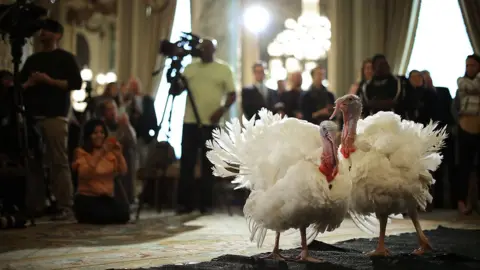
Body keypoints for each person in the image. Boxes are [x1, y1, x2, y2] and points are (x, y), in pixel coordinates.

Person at [20, 19, 82, 220]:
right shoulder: (32, 60)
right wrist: (30, 82)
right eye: (41, 30)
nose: (42, 33)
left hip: (56, 116)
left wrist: (49, 81)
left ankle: (65, 205)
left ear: (57, 35)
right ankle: (37, 204)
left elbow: (76, 83)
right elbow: (20, 86)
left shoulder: (66, 58)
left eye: (47, 30)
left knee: (58, 161)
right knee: (34, 162)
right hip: (32, 116)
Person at [177, 39, 236, 214]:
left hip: (211, 123)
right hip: (189, 121)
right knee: (187, 163)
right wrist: (174, 78)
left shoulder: (223, 69)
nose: (204, 51)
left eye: (208, 48)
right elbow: (176, 90)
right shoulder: (190, 68)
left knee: (208, 164)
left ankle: (206, 204)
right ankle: (184, 204)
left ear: (214, 50)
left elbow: (232, 94)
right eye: (202, 48)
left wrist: (222, 110)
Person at [72, 119, 130, 224]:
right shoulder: (81, 152)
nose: (99, 135)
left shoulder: (109, 154)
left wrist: (119, 155)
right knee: (103, 216)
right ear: (88, 135)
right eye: (95, 133)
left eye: (102, 132)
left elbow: (123, 171)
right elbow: (85, 173)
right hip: (87, 198)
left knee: (124, 214)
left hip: (105, 198)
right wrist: (101, 153)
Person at [422, 70, 456, 209]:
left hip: (446, 132)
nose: (427, 80)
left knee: (449, 167)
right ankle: (435, 203)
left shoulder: (444, 91)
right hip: (429, 135)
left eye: (427, 77)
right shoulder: (422, 96)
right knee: (433, 170)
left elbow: (450, 111)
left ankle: (449, 203)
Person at [454, 54, 480, 215]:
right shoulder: (460, 85)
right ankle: (462, 202)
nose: (469, 68)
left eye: (473, 65)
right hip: (465, 128)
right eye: (467, 65)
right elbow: (455, 106)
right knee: (463, 166)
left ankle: (475, 202)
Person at [100, 100, 137, 204]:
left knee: (129, 154)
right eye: (109, 109)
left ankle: (128, 196)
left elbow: (133, 142)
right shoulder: (101, 126)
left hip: (122, 158)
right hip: (106, 157)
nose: (112, 112)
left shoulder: (123, 124)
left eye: (114, 109)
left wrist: (127, 126)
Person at [359, 54, 408, 119]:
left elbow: (398, 102)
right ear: (374, 67)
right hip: (373, 121)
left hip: (395, 120)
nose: (383, 67)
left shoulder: (397, 82)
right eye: (379, 65)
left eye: (385, 64)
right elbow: (365, 105)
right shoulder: (367, 86)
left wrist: (375, 103)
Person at [126, 77, 157, 169]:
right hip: (132, 134)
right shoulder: (127, 100)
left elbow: (152, 116)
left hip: (144, 135)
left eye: (135, 86)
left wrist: (153, 134)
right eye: (132, 86)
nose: (134, 88)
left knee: (144, 159)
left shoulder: (147, 100)